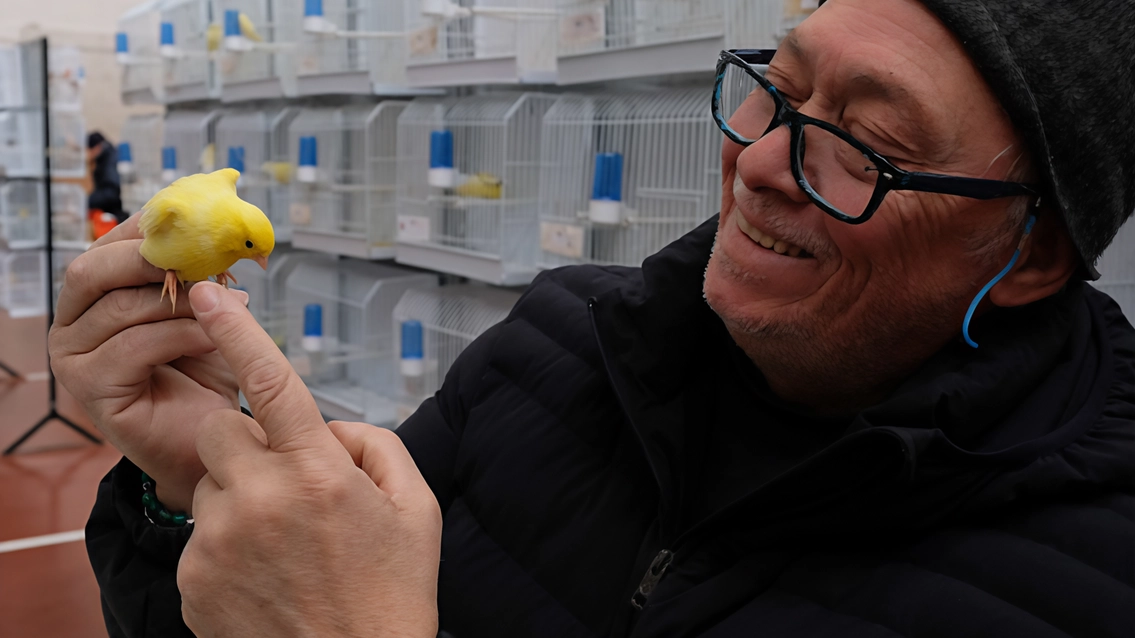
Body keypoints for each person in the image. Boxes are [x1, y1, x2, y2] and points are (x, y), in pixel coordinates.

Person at [52, 0, 1133, 635]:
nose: (758, 161)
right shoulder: (552, 348)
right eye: (776, 88)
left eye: (866, 144)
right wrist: (191, 480)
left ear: (1028, 250)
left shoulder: (1090, 577)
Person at [87, 131, 126, 223]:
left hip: (112, 217)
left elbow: (110, 193)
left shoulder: (108, 162)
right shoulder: (106, 158)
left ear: (96, 148)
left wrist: (86, 202)